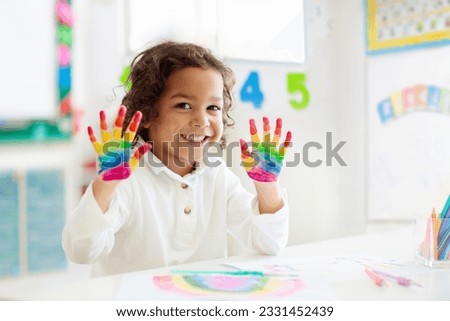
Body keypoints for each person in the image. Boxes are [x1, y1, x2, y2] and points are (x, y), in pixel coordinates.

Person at [62, 41, 292, 277]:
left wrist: (267, 187)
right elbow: (82, 251)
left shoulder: (217, 175)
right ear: (148, 114)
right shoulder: (127, 180)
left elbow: (269, 244)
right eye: (184, 105)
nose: (202, 121)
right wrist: (105, 186)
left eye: (213, 107)